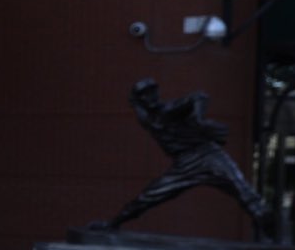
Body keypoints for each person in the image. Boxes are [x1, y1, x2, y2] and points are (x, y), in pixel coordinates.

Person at [101, 78, 272, 234]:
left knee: (243, 190)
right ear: (139, 101)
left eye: (153, 92)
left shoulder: (170, 109)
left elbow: (199, 96)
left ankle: (270, 232)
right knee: (149, 196)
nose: (151, 97)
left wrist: (198, 119)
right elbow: (139, 110)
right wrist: (134, 101)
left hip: (208, 155)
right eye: (145, 95)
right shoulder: (149, 120)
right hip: (184, 164)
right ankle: (113, 223)